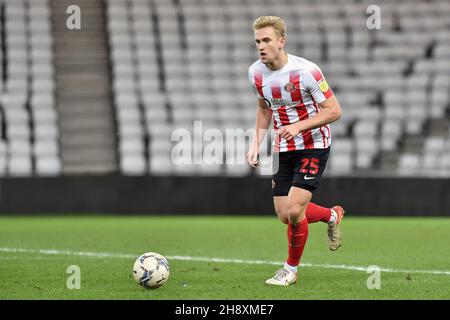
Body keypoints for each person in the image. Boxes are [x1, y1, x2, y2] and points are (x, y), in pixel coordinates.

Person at [246, 16, 345, 286]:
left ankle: (290, 270)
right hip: (284, 147)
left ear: (282, 41)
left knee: (294, 210)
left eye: (266, 40)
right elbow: (264, 109)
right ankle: (332, 215)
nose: (261, 46)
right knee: (284, 215)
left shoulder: (307, 71)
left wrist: (300, 126)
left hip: (313, 144)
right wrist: (256, 143)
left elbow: (334, 111)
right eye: (257, 41)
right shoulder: (255, 73)